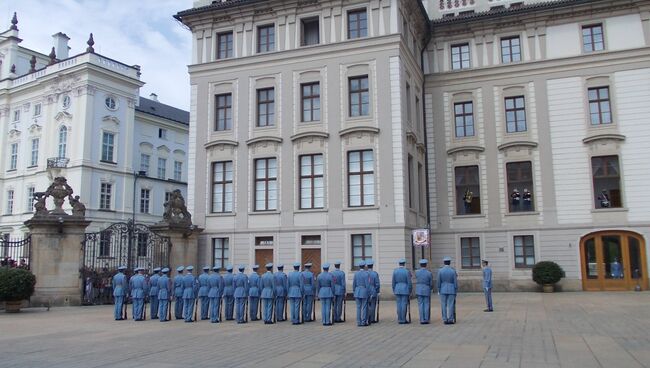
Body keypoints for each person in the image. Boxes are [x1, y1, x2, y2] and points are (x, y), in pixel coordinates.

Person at [437, 256, 458, 325]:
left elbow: (438, 281)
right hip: (451, 289)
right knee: (451, 305)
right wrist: (456, 290)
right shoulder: (453, 271)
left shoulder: (440, 271)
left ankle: (445, 319)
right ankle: (451, 319)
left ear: (444, 262)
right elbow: (455, 282)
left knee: (443, 305)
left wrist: (438, 289)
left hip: (443, 289)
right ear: (450, 263)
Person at [392, 258, 412, 324]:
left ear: (399, 264)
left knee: (398, 304)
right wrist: (410, 290)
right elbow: (409, 282)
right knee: (404, 304)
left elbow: (393, 282)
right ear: (404, 264)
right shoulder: (406, 271)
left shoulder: (395, 271)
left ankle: (399, 319)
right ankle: (403, 319)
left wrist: (394, 289)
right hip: (405, 289)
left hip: (397, 289)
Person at [415, 259, 433, 324]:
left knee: (420, 304)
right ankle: (426, 319)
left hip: (419, 289)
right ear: (426, 265)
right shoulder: (429, 273)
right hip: (426, 289)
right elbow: (431, 283)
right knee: (426, 304)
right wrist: (430, 288)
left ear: (420, 265)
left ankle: (421, 319)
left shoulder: (416, 272)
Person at [353, 260, 370, 326]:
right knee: (364, 307)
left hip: (357, 290)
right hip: (364, 291)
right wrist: (368, 292)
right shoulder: (366, 274)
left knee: (358, 307)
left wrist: (354, 291)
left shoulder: (356, 274)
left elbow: (354, 283)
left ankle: (358, 322)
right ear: (365, 266)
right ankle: (364, 321)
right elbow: (367, 285)